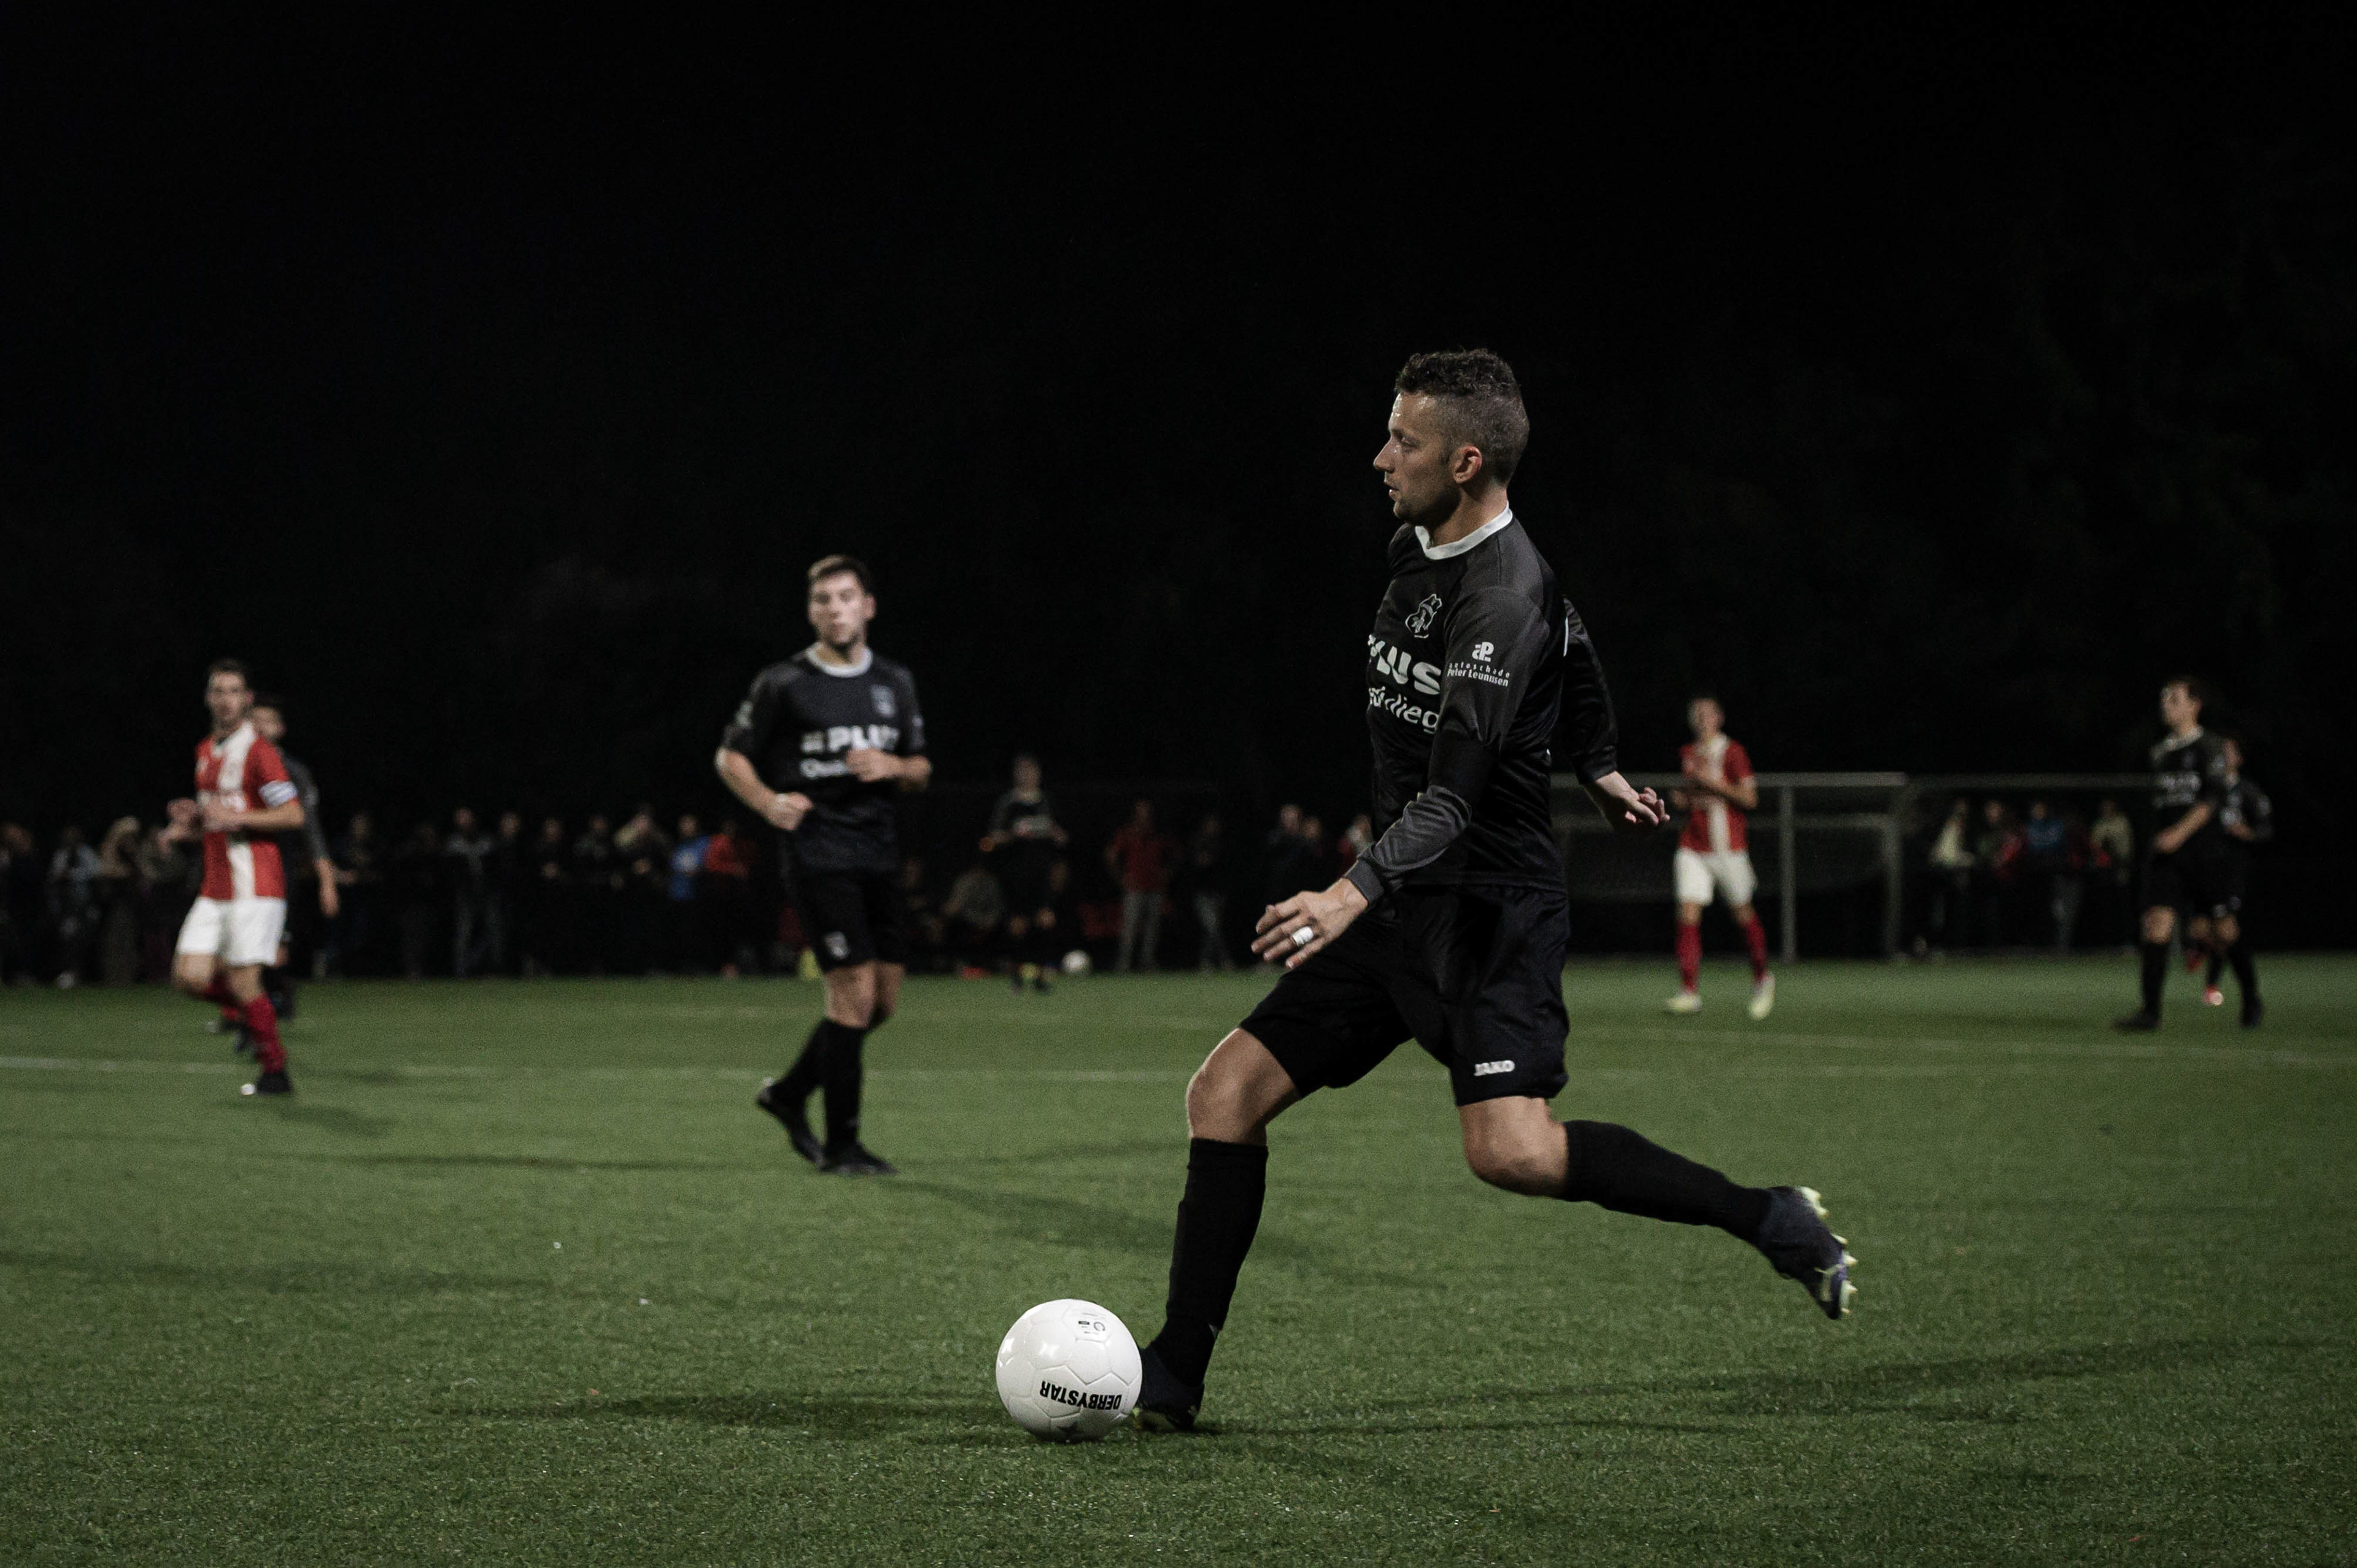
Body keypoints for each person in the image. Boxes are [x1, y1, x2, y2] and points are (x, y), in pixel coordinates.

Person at [1129, 350, 1852, 1434]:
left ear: (1466, 462)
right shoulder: (1425, 547)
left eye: (1404, 440)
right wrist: (1599, 762)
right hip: (1404, 894)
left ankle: (1770, 1215)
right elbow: (1580, 640)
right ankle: (1174, 1376)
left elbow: (1455, 799)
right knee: (1225, 1092)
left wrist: (1347, 892)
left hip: (1487, 910)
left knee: (1511, 1152)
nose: (1382, 457)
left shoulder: (1500, 598)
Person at [719, 554, 931, 1175]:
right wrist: (767, 802)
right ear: (811, 612)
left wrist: (894, 766)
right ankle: (843, 1146)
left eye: (846, 597)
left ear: (868, 606)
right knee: (853, 994)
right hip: (818, 852)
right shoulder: (784, 682)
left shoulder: (894, 681)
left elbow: (921, 766)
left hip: (878, 852)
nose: (835, 609)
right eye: (823, 600)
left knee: (882, 1002)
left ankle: (788, 1094)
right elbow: (731, 756)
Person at [160, 660, 307, 1095]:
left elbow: (293, 814)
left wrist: (238, 817)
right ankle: (257, 1012)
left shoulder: (259, 751)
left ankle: (275, 1072)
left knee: (243, 980)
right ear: (208, 698)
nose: (226, 699)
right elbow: (216, 820)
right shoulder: (205, 751)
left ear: (247, 699)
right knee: (188, 978)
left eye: (234, 691)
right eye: (219, 691)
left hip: (255, 885)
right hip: (215, 886)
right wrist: (190, 823)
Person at [2117, 679, 2235, 1031]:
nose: (2166, 705)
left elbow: (2212, 800)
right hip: (2168, 857)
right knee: (2156, 924)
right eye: (2164, 699)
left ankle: (2248, 993)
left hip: (2204, 854)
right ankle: (2150, 1012)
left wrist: (2179, 833)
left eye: (2174, 699)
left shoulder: (2210, 746)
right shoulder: (2159, 753)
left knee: (2222, 931)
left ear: (2194, 705)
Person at [1664, 696, 1773, 1018]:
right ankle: (1689, 991)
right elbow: (1693, 798)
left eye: (1708, 713)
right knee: (1687, 911)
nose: (1702, 719)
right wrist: (1682, 800)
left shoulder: (1733, 752)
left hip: (1728, 847)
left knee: (1742, 913)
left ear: (1719, 718)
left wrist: (1713, 785)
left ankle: (1762, 978)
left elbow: (1750, 799)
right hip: (1693, 845)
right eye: (1697, 714)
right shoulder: (1688, 753)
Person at [244, 696, 338, 1018]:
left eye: (267, 721)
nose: (259, 727)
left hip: (279, 865)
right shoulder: (236, 765)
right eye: (254, 720)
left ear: (281, 729)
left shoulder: (293, 772)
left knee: (276, 945)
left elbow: (311, 828)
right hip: (240, 863)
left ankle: (276, 997)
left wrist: (327, 880)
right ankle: (247, 1008)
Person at [983, 754, 1067, 992]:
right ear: (1016, 776)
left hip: (1042, 872)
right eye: (1023, 772)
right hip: (1016, 874)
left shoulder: (1047, 802)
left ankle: (1041, 977)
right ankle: (1017, 977)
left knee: (1045, 920)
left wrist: (1055, 835)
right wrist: (1013, 834)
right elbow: (993, 839)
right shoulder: (1008, 803)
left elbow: (1062, 837)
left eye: (1032, 771)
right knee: (1018, 925)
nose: (1028, 776)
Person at [2200, 736, 2270, 1019]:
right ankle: (2213, 982)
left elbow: (2266, 829)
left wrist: (2249, 833)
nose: (2222, 756)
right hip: (2205, 868)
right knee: (2206, 932)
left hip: (2233, 870)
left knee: (2227, 931)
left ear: (2239, 759)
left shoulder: (2247, 791)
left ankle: (2250, 999)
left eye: (2228, 752)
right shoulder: (2207, 789)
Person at [1107, 798, 1174, 973]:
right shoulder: (1127, 833)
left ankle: (1147, 963)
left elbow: (1175, 853)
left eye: (1147, 811)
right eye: (1140, 812)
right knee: (1129, 928)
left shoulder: (1158, 833)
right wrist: (1121, 878)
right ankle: (1124, 964)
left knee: (1153, 929)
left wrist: (1167, 873)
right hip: (1134, 889)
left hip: (1155, 887)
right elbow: (1111, 856)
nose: (1144, 815)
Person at [1185, 814, 1235, 972]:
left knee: (1212, 929)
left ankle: (1206, 961)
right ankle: (1225, 960)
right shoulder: (1198, 842)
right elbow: (1196, 864)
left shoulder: (1221, 843)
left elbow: (1227, 867)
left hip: (1219, 893)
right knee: (1212, 926)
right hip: (1202, 894)